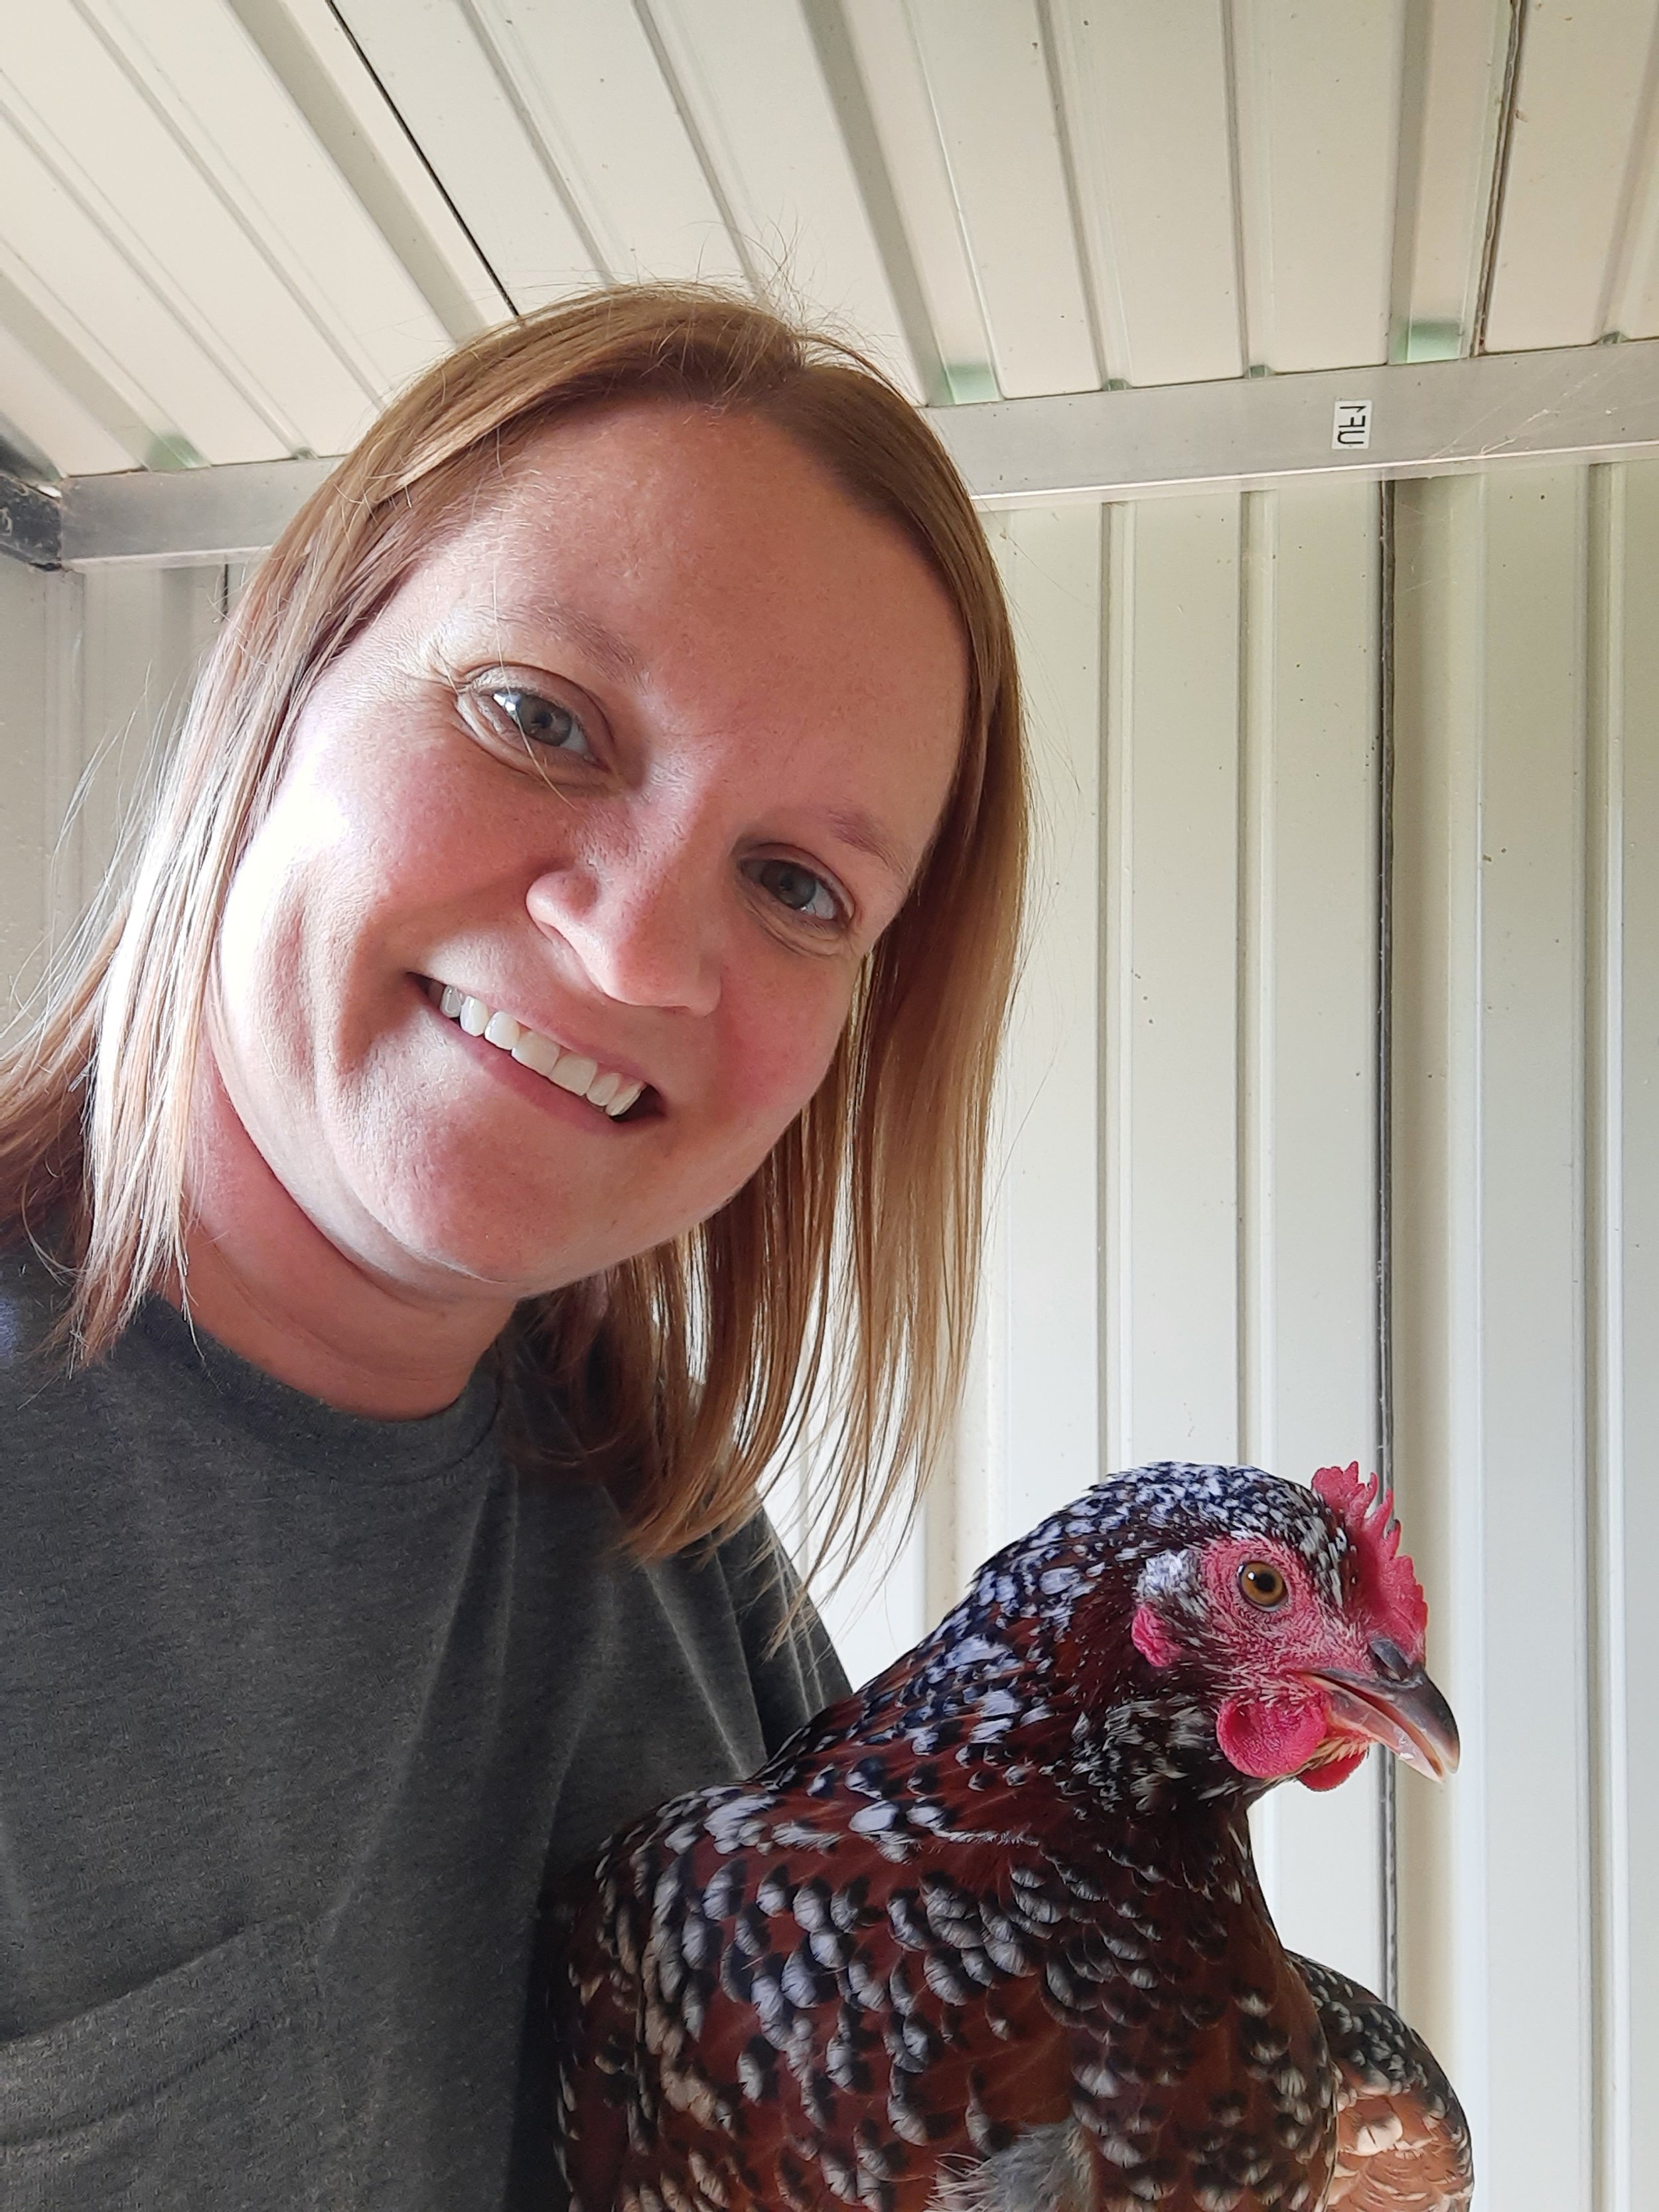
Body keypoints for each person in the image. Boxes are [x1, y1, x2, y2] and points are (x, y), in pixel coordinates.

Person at [0, 285, 1027, 2208]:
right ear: (277, 680)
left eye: (797, 884)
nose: (633, 953)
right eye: (540, 719)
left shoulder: (680, 1559)